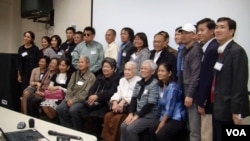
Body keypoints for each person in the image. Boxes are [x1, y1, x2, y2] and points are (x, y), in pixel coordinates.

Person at [213, 17, 250, 141]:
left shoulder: (237, 51)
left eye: (222, 27)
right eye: (217, 27)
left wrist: (236, 111)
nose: (218, 30)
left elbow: (240, 84)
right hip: (219, 108)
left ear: (232, 31)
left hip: (231, 110)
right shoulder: (221, 51)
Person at [101, 61, 141, 141]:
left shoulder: (139, 81)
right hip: (119, 106)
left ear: (135, 71)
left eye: (129, 70)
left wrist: (123, 101)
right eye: (125, 69)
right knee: (108, 116)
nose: (126, 72)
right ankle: (106, 138)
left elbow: (135, 96)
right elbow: (118, 92)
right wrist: (115, 101)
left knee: (118, 119)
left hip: (130, 108)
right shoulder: (122, 80)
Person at [120, 60, 159, 141]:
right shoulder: (139, 83)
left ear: (152, 71)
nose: (143, 70)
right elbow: (133, 99)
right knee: (123, 126)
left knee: (131, 129)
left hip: (149, 115)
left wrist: (137, 116)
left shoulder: (154, 84)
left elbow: (150, 104)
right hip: (138, 113)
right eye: (141, 68)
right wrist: (130, 114)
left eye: (146, 69)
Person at [80, 57, 120, 137]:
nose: (104, 69)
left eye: (107, 67)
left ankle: (95, 136)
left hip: (105, 103)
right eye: (103, 67)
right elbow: (92, 88)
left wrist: (97, 96)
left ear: (113, 68)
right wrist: (91, 96)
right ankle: (85, 134)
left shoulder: (116, 79)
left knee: (94, 116)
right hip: (94, 102)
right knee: (82, 111)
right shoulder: (99, 77)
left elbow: (111, 92)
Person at [56, 56, 96, 130]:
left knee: (73, 110)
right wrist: (68, 99)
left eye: (82, 62)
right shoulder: (74, 74)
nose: (79, 64)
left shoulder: (91, 77)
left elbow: (85, 93)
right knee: (60, 108)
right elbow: (69, 88)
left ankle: (77, 129)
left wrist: (73, 100)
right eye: (78, 62)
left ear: (87, 64)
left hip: (81, 100)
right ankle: (67, 128)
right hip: (70, 98)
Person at [149, 62, 187, 141]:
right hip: (165, 117)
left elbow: (169, 108)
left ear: (169, 73)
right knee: (152, 127)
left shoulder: (173, 87)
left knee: (161, 134)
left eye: (162, 71)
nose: (159, 73)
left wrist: (161, 124)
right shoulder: (161, 86)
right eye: (158, 71)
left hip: (176, 118)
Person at [196, 18, 219, 141]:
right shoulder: (208, 47)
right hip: (210, 99)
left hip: (209, 101)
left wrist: (202, 102)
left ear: (212, 31)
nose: (199, 33)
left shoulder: (212, 49)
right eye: (198, 30)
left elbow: (207, 78)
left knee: (207, 134)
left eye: (202, 30)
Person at [179, 23, 203, 141]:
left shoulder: (196, 50)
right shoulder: (186, 50)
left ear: (194, 35)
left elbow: (196, 75)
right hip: (186, 90)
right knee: (189, 126)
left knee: (194, 128)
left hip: (192, 93)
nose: (183, 35)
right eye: (182, 33)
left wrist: (189, 95)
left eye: (186, 33)